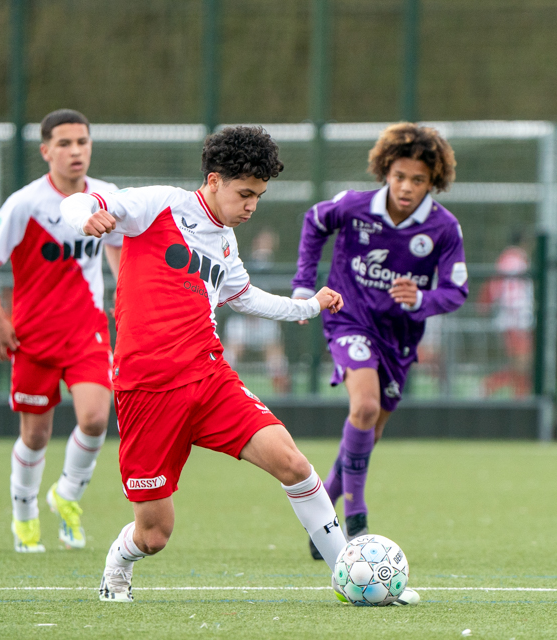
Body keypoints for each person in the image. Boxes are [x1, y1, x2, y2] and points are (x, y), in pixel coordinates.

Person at [61, 125, 418, 605]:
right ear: (213, 181)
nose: (251, 205)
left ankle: (350, 576)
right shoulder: (160, 204)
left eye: (259, 196)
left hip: (209, 379)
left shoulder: (225, 241)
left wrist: (307, 307)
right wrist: (87, 217)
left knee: (293, 463)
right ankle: (118, 562)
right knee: (154, 535)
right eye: (244, 193)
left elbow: (244, 296)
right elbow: (81, 202)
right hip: (146, 391)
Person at [292, 122, 468, 559]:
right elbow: (314, 221)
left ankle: (324, 514)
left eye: (419, 180)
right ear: (385, 170)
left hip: (399, 340)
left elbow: (457, 290)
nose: (407, 188)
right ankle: (356, 514)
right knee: (365, 407)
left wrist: (422, 298)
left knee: (370, 427)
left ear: (434, 182)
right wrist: (302, 285)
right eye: (400, 176)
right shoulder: (354, 207)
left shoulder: (444, 229)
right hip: (348, 320)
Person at [0, 109, 122, 553]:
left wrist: (126, 292)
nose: (75, 151)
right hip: (33, 337)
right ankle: (24, 513)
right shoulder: (27, 202)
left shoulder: (106, 196)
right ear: (46, 151)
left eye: (82, 141)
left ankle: (67, 497)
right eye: (64, 143)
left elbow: (118, 244)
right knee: (35, 435)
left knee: (95, 419)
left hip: (87, 330)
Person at [223, 229, 291, 394]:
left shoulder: (275, 264)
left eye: (269, 242)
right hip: (242, 319)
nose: (266, 245)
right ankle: (221, 389)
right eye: (263, 241)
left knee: (276, 357)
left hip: (264, 320)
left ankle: (284, 396)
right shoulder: (244, 260)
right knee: (229, 355)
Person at [478, 231, 535, 397]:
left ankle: (517, 394)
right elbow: (505, 290)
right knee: (522, 363)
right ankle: (490, 386)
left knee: (522, 364)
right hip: (515, 319)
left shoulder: (508, 259)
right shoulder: (514, 260)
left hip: (515, 319)